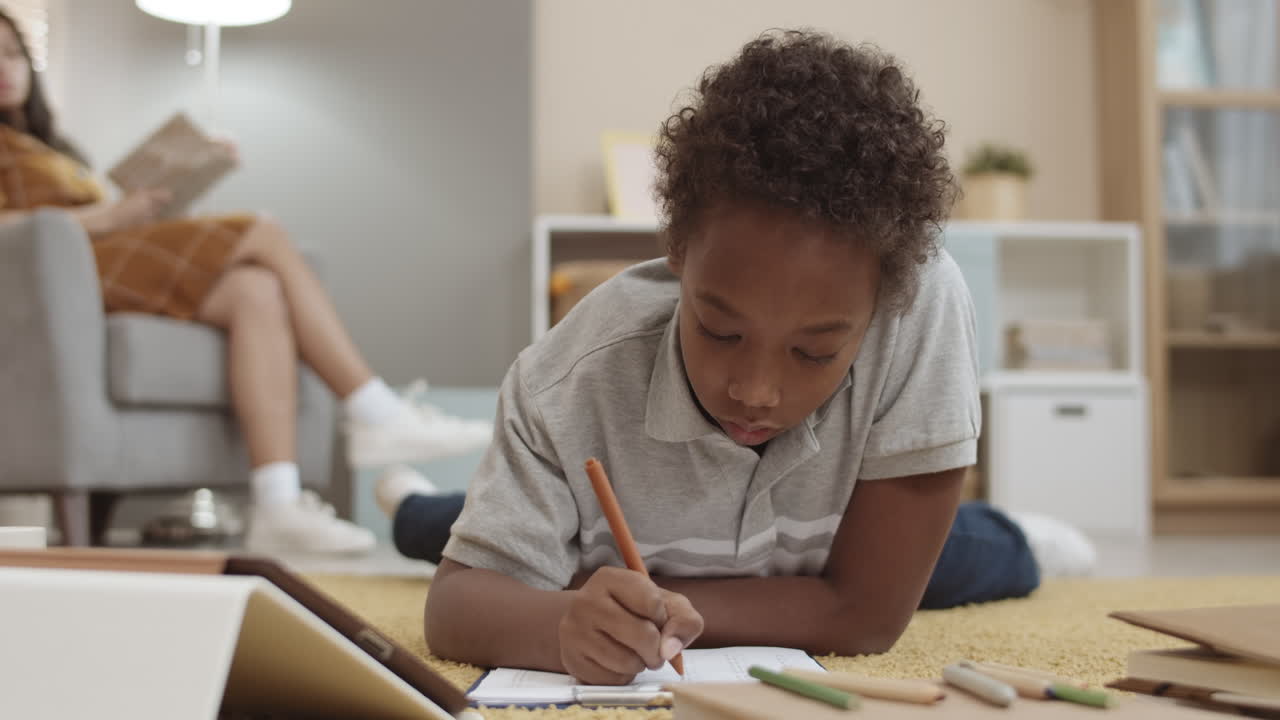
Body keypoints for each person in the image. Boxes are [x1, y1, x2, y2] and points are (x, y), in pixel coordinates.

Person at [399, 30, 1099, 684]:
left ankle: (1026, 535)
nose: (757, 392)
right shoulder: (564, 382)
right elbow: (456, 605)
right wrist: (562, 621)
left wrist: (611, 595)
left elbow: (867, 615)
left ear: (884, 304)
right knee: (467, 535)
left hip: (832, 537)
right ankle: (420, 511)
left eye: (814, 351)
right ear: (675, 247)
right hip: (649, 541)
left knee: (982, 558)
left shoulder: (920, 302)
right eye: (721, 332)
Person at [0, 10, 490, 554]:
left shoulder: (50, 148)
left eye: (14, 54)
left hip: (110, 254)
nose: (7, 68)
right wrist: (110, 219)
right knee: (261, 229)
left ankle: (276, 503)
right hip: (65, 278)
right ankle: (374, 409)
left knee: (257, 291)